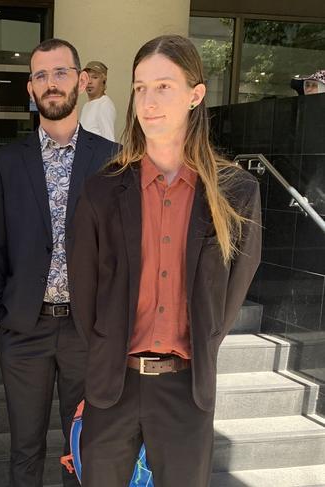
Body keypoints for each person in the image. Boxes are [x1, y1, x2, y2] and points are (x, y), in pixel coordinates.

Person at [69, 34, 262, 487]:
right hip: (113, 385)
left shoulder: (235, 192)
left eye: (163, 86)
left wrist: (206, 341)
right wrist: (103, 349)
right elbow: (84, 291)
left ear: (196, 95)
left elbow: (234, 287)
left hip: (186, 387)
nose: (148, 101)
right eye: (140, 88)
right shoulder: (103, 189)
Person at [0, 38, 119, 487]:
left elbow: (120, 251)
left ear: (81, 81)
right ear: (30, 88)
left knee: (82, 446)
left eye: (60, 72)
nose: (51, 83)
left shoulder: (112, 159)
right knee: (24, 448)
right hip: (24, 329)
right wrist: (1, 312)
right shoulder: (5, 163)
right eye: (41, 75)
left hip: (87, 332)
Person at [79, 61, 117, 142]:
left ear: (103, 81)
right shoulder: (86, 106)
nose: (89, 82)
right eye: (87, 78)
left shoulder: (104, 104)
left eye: (95, 77)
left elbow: (109, 141)